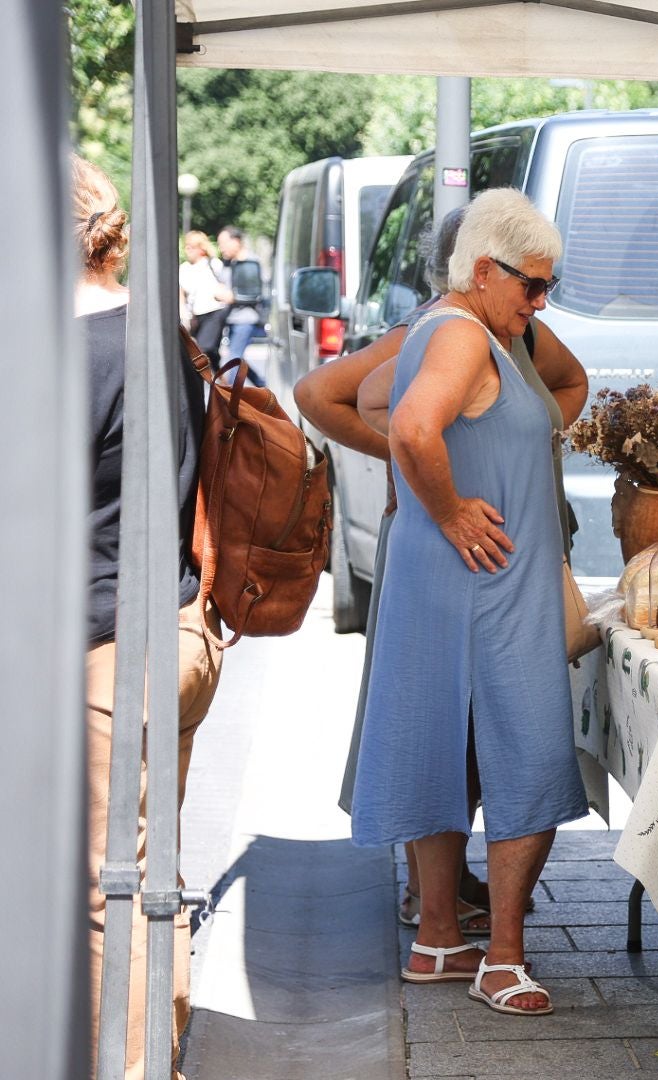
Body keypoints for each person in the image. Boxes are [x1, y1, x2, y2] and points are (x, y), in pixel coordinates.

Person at [294, 205, 586, 930]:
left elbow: (571, 385)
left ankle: (440, 918)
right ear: (479, 268)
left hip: (506, 551)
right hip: (459, 555)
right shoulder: (447, 330)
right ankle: (439, 907)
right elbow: (329, 397)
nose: (540, 299)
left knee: (456, 731)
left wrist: (527, 441)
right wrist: (433, 485)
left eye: (547, 285)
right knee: (447, 730)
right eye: (532, 284)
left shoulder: (517, 333)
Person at [77, 155, 223, 1079]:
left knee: (106, 895)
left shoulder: (62, 351)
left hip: (103, 654)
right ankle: (162, 1051)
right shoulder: (162, 333)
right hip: (177, 633)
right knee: (148, 872)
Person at [215, 225, 264, 386]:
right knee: (238, 358)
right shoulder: (228, 264)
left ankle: (230, 396)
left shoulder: (251, 262)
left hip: (246, 318)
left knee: (234, 358)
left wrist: (234, 297)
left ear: (236, 241)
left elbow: (257, 292)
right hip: (231, 317)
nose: (221, 248)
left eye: (223, 243)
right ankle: (263, 385)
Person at [178, 230, 230, 369]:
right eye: (186, 246)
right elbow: (181, 294)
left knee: (202, 348)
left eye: (191, 247)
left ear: (201, 248)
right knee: (207, 354)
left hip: (214, 312)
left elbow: (226, 285)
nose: (188, 250)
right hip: (196, 315)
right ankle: (221, 377)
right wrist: (185, 316)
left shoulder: (214, 264)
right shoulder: (184, 269)